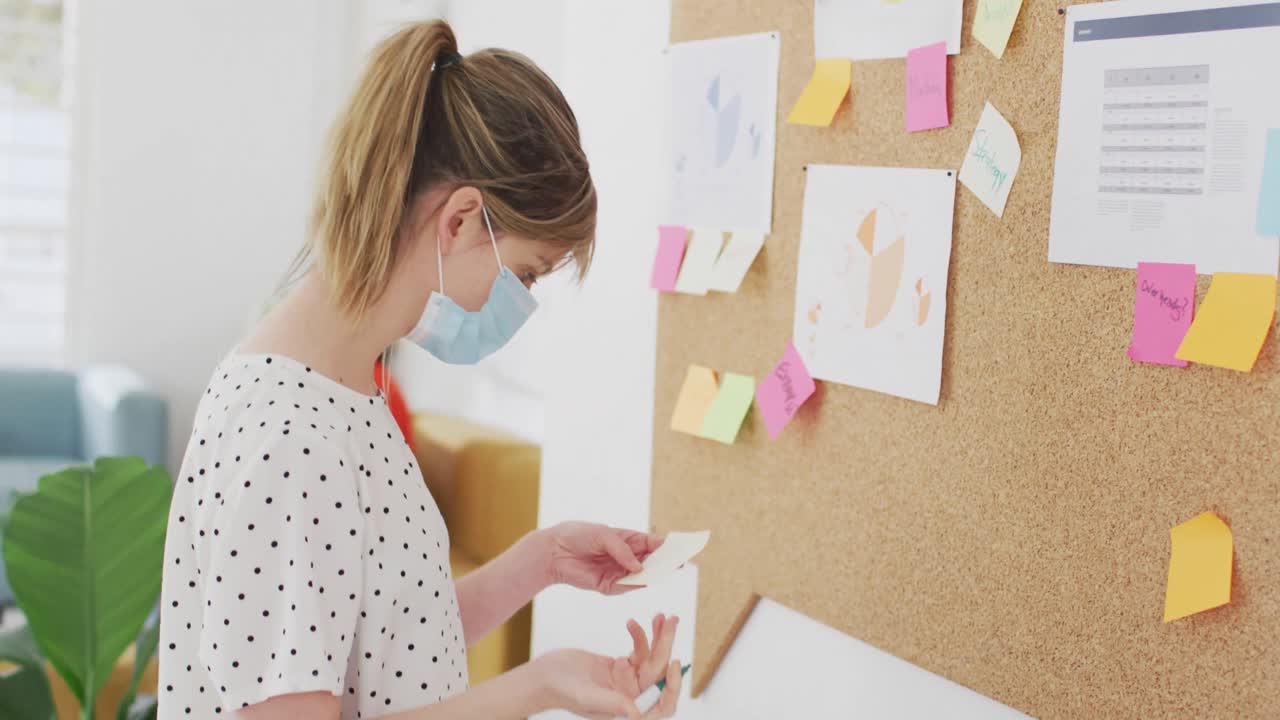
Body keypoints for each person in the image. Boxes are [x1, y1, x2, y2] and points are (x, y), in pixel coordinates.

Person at [157, 19, 683, 720]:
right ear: (460, 220)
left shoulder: (345, 390)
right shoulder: (291, 436)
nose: (520, 305)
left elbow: (387, 642)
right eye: (525, 273)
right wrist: (539, 686)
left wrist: (545, 558)